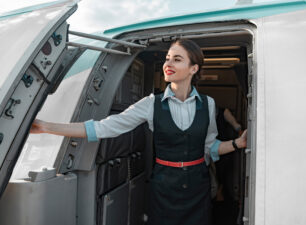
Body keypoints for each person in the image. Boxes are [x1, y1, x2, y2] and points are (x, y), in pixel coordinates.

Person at [31, 39, 247, 225]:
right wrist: (47, 127)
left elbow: (210, 147)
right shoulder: (151, 103)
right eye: (167, 58)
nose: (168, 64)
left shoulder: (208, 105)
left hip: (197, 188)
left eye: (177, 59)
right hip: (164, 187)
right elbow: (104, 127)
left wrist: (239, 143)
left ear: (194, 69)